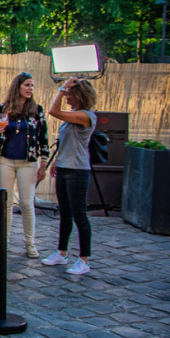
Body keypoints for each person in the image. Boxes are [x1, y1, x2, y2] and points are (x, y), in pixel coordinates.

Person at [0, 72, 50, 258]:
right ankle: (2, 243)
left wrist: (44, 163)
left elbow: (43, 138)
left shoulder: (37, 110)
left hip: (28, 163)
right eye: (27, 85)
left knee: (26, 203)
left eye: (32, 85)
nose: (31, 89)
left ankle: (30, 244)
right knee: (5, 203)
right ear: (18, 87)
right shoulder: (4, 108)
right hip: (5, 160)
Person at [41, 76, 97, 275]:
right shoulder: (72, 116)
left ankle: (84, 260)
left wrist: (62, 88)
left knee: (80, 215)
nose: (66, 97)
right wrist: (57, 161)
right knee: (65, 213)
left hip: (78, 171)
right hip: (65, 169)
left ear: (80, 96)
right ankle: (61, 253)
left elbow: (53, 111)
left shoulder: (86, 116)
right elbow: (67, 142)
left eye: (70, 94)